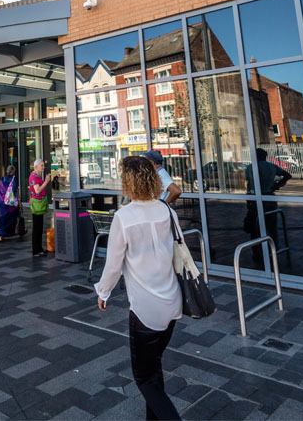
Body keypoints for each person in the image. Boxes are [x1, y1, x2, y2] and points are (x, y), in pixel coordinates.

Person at [95, 155, 182, 421]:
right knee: (154, 369)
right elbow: (180, 251)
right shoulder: (167, 210)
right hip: (173, 303)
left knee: (144, 378)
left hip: (146, 310)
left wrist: (103, 292)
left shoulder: (124, 217)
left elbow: (113, 265)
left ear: (128, 181)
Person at [28, 159, 49, 258]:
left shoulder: (37, 176)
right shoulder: (34, 177)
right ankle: (36, 250)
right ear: (36, 167)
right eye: (42, 165)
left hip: (39, 203)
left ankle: (39, 248)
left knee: (39, 227)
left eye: (43, 165)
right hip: (37, 204)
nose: (43, 167)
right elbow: (37, 190)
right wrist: (46, 181)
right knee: (37, 227)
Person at [0, 164, 20, 242]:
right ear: (12, 172)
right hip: (10, 202)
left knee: (2, 217)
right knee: (13, 215)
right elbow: (14, 191)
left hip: (1, 202)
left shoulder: (2, 179)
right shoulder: (14, 178)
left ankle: (1, 235)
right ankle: (11, 231)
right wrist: (19, 201)